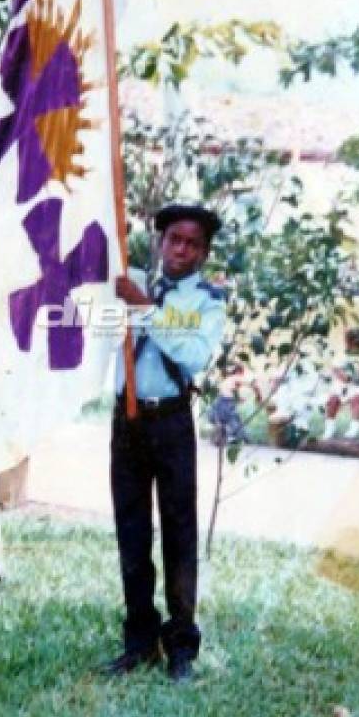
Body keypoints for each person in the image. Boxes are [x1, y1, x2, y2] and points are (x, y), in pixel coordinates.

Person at [107, 203, 226, 682]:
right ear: (160, 242)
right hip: (126, 422)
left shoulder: (207, 301)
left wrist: (143, 307)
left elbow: (193, 354)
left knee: (179, 533)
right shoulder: (129, 281)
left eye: (192, 243)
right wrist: (124, 296)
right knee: (131, 533)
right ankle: (139, 639)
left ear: (204, 252)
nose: (181, 249)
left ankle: (180, 647)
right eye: (173, 239)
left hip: (171, 422)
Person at [323, 328, 359, 440]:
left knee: (356, 399)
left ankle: (354, 428)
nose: (349, 345)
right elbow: (335, 369)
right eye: (349, 342)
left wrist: (357, 377)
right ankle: (329, 427)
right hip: (343, 385)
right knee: (332, 400)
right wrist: (342, 376)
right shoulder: (342, 354)